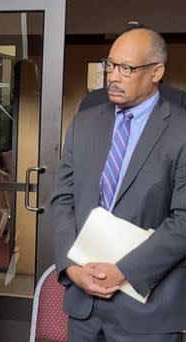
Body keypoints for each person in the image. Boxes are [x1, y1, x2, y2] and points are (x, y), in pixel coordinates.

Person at [52, 28, 186, 341]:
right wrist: (71, 266)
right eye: (110, 66)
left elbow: (183, 219)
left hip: (148, 307)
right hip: (83, 304)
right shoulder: (84, 124)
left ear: (157, 72)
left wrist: (125, 269)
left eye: (126, 68)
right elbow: (62, 201)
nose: (113, 76)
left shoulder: (181, 130)